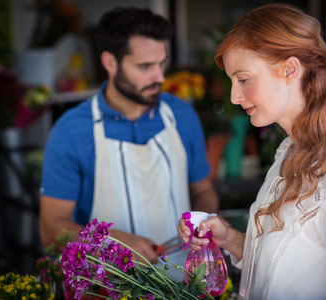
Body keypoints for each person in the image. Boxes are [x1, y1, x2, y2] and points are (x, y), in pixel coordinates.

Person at [178, 3, 326, 300]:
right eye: (232, 81)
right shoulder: (288, 152)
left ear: (290, 69)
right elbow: (283, 267)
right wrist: (231, 239)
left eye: (243, 79)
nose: (234, 97)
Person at [39, 7, 219, 266]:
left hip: (185, 283)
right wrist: (108, 242)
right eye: (145, 66)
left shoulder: (182, 116)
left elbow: (202, 189)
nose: (159, 77)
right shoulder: (71, 132)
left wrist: (203, 222)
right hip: (107, 288)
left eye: (162, 63)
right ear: (110, 63)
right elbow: (50, 229)